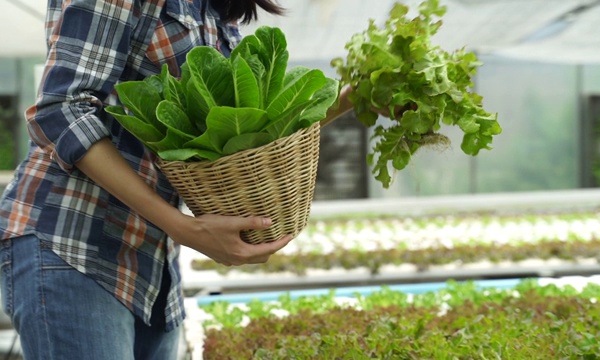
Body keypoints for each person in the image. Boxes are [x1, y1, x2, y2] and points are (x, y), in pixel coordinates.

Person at [0, 0, 355, 358]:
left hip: (153, 264)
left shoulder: (211, 8)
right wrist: (184, 227)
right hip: (75, 243)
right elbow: (62, 109)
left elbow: (242, 139)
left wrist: (351, 100)